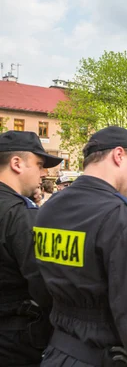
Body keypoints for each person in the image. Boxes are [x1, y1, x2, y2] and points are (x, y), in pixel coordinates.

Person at [34, 126, 127, 367]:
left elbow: (39, 287)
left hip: (58, 351)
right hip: (105, 355)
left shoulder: (49, 210)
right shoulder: (125, 219)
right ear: (119, 155)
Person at [0, 130, 62, 366]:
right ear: (17, 163)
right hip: (15, 340)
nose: (44, 172)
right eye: (39, 164)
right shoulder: (20, 215)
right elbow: (44, 284)